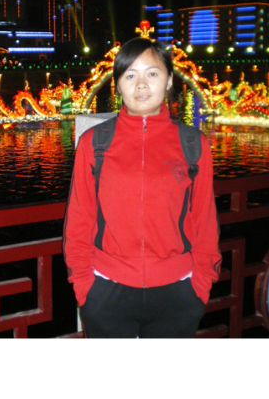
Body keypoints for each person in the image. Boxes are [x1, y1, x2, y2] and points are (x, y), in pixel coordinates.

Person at [63, 37, 221, 339]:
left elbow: (204, 219)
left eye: (152, 73)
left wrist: (200, 285)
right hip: (107, 288)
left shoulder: (192, 143)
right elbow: (79, 220)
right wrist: (85, 287)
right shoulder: (95, 143)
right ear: (117, 85)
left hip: (178, 290)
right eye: (130, 75)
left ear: (169, 80)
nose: (141, 85)